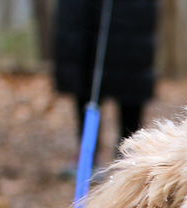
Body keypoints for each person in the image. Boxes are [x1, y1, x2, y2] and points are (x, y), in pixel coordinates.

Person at [53, 0, 158, 163]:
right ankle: (87, 153)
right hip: (82, 16)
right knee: (84, 81)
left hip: (132, 19)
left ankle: (128, 152)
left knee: (131, 81)